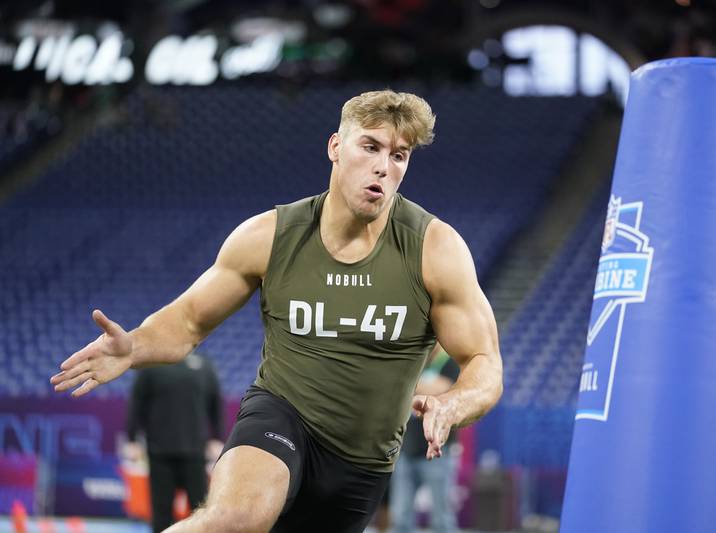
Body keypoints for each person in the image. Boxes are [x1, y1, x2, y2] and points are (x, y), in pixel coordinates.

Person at [50, 89, 504, 533]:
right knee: (235, 518)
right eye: (370, 146)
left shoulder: (434, 248)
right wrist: (134, 347)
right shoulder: (269, 236)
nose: (383, 166)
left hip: (362, 464)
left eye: (399, 155)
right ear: (336, 147)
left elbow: (485, 363)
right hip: (282, 417)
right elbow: (187, 321)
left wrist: (454, 404)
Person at [125, 350, 225, 532]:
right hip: (159, 452)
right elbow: (137, 403)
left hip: (195, 451)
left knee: (200, 509)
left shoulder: (204, 366)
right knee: (161, 511)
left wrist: (217, 438)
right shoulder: (151, 366)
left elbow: (215, 404)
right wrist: (131, 439)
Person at [390, 346, 461, 533]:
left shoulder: (450, 361)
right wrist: (426, 386)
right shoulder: (415, 358)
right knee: (400, 517)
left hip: (438, 450)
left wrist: (412, 384)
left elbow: (444, 387)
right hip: (406, 448)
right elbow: (395, 385)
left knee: (442, 518)